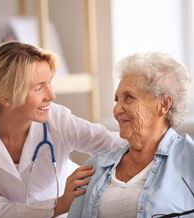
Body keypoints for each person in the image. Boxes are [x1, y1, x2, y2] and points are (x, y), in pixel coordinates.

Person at [0, 41, 125, 218]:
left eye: (49, 83)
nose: (51, 95)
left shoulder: (58, 120)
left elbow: (115, 144)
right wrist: (58, 205)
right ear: (5, 97)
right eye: (38, 87)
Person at [68, 52, 194, 218]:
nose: (116, 110)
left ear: (163, 105)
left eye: (129, 98)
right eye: (117, 100)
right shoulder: (95, 166)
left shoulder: (188, 160)